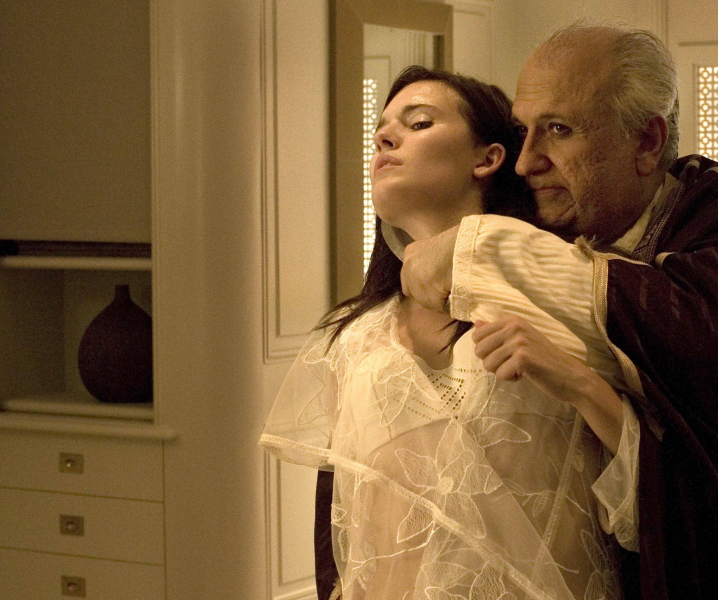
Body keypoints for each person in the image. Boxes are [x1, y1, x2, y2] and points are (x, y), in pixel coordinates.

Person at [398, 23, 718, 600]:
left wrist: (480, 251)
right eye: (522, 131)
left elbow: (703, 332)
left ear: (647, 142)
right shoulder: (534, 211)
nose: (526, 162)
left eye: (559, 130)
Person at [261, 66, 634, 600]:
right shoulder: (353, 336)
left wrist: (576, 382)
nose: (385, 139)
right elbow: (345, 530)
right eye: (381, 131)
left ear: (487, 158)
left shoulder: (561, 290)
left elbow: (662, 489)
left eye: (418, 123)